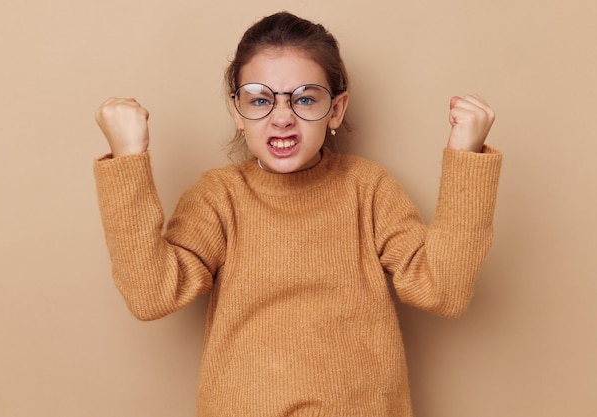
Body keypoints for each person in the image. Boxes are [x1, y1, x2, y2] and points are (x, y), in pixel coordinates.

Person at [93, 11, 502, 417]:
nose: (283, 116)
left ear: (337, 110)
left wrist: (466, 156)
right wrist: (128, 157)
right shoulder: (220, 197)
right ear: (237, 112)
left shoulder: (368, 189)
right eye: (259, 98)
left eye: (305, 98)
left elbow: (443, 291)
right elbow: (151, 295)